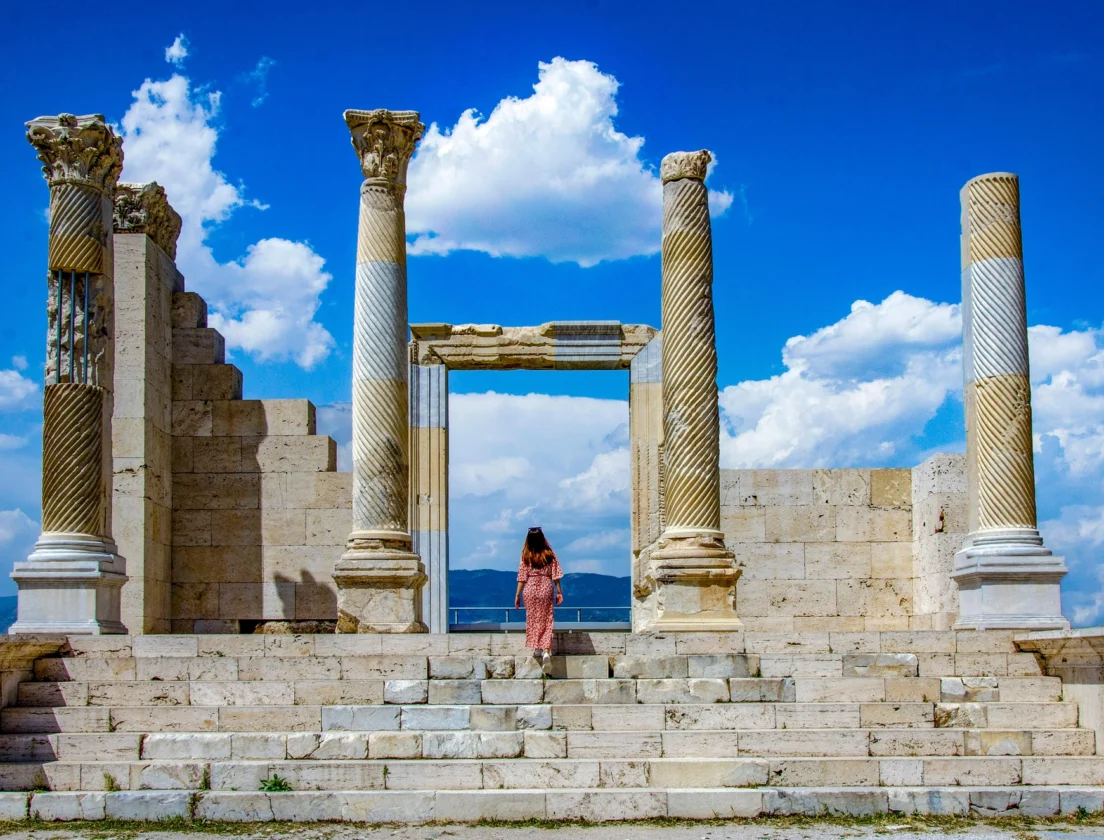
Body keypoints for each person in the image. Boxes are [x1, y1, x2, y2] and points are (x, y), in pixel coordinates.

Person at [514, 526, 564, 672]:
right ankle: (546, 650)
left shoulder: (526, 556)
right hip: (545, 587)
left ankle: (537, 647)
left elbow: (522, 578)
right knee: (547, 619)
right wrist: (559, 592)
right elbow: (556, 576)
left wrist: (517, 595)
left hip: (530, 588)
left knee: (533, 618)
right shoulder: (550, 554)